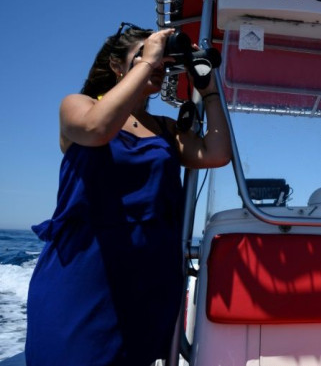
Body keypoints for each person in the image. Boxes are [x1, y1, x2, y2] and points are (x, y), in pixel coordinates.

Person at [25, 23, 232, 365]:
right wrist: (147, 63)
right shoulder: (78, 106)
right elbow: (97, 129)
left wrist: (208, 91)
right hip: (83, 271)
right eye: (142, 57)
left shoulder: (163, 129)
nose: (157, 66)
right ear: (116, 66)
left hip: (147, 276)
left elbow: (217, 153)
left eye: (162, 63)